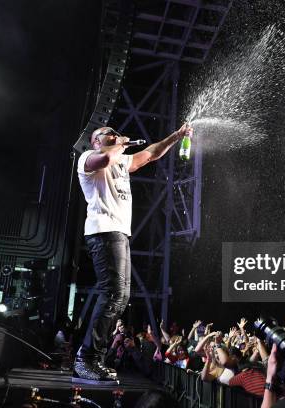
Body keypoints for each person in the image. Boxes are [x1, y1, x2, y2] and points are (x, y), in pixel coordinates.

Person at [74, 124, 193, 383]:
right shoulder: (88, 158)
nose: (115, 135)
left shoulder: (121, 160)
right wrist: (121, 143)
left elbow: (151, 153)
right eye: (109, 133)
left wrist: (177, 135)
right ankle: (85, 359)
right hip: (103, 231)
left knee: (120, 297)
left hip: (118, 233)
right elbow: (106, 157)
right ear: (95, 141)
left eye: (116, 133)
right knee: (113, 294)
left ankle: (94, 358)